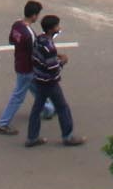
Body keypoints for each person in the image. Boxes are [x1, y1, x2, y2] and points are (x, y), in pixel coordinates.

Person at [24, 13, 84, 148]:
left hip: (38, 79)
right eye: (57, 26)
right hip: (49, 82)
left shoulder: (40, 39)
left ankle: (32, 137)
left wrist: (56, 55)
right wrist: (62, 62)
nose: (59, 28)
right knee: (62, 107)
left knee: (36, 109)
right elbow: (52, 68)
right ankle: (68, 136)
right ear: (51, 29)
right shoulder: (49, 47)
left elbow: (39, 55)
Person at [0, 0, 50, 134]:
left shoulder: (17, 25)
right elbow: (35, 52)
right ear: (34, 15)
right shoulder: (29, 34)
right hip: (28, 68)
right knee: (18, 96)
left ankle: (48, 109)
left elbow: (11, 40)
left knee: (37, 89)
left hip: (19, 63)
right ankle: (3, 123)